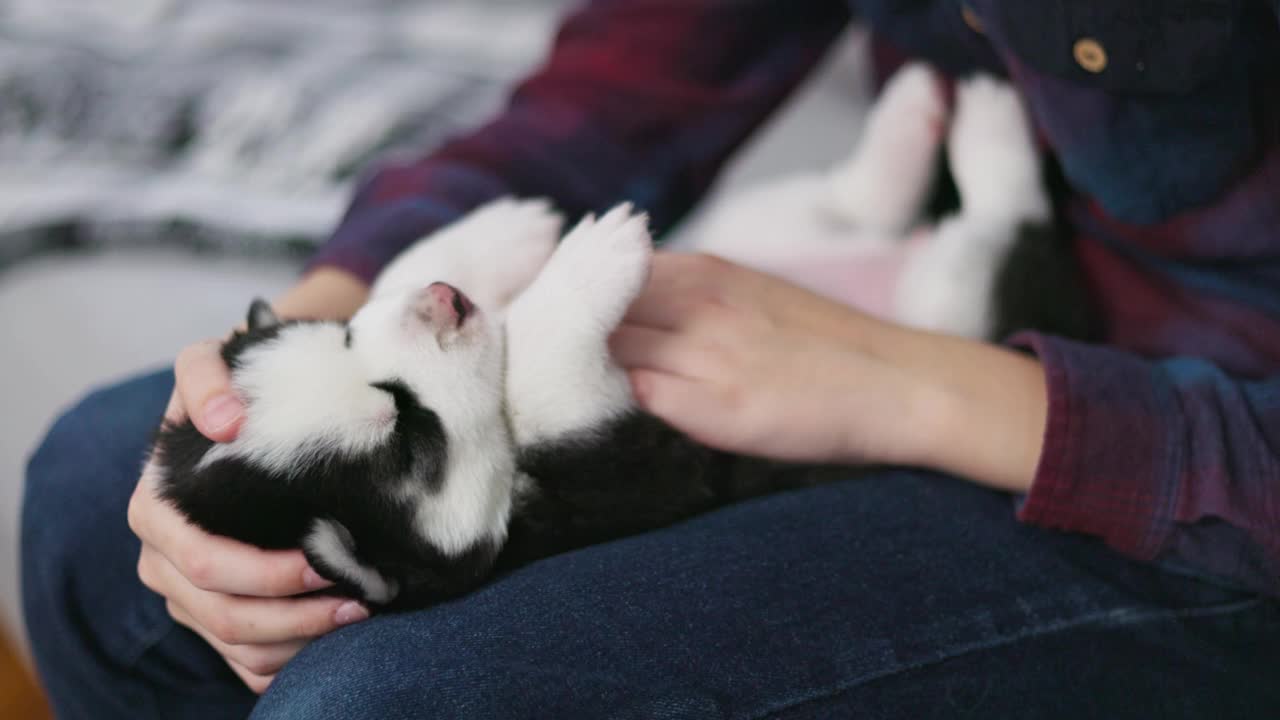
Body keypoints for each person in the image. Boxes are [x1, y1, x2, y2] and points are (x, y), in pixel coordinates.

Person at [23, 1, 1280, 717]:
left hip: (1193, 487)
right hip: (922, 274)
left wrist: (910, 385)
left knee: (382, 708)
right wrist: (286, 352)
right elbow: (629, 88)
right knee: (95, 495)